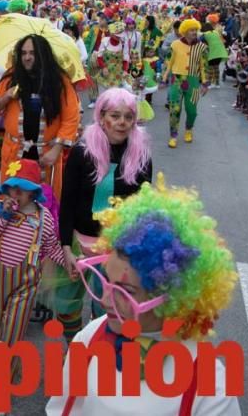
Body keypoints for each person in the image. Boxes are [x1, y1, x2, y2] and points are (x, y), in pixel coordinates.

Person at [45, 182, 241, 416]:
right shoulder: (89, 338)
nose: (105, 301)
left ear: (169, 298)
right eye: (106, 281)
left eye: (125, 291)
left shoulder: (208, 387)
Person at [56, 88, 153, 338]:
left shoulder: (141, 156)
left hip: (114, 248)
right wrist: (66, 247)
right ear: (101, 117)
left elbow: (142, 209)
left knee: (107, 310)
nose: (122, 123)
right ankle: (75, 348)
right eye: (115, 116)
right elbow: (67, 202)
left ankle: (98, 354)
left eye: (128, 117)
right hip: (78, 242)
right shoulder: (81, 152)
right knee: (68, 307)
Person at [0, 158, 67, 381]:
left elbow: (51, 247)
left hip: (26, 284)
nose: (14, 195)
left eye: (21, 190)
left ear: (33, 193)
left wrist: (69, 263)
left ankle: (1, 382)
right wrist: (2, 217)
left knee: (13, 332)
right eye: (11, 189)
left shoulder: (42, 218)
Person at [0, 34, 81, 195]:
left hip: (46, 154)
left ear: (42, 54)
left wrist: (56, 150)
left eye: (32, 53)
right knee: (12, 203)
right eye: (23, 53)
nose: (27, 58)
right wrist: (7, 96)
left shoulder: (59, 81)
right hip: (14, 152)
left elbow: (71, 117)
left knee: (44, 206)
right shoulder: (11, 76)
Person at [163, 18, 209, 148]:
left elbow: (204, 66)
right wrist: (165, 76)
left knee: (191, 110)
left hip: (193, 81)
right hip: (176, 80)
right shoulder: (175, 45)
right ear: (185, 31)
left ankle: (189, 129)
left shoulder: (202, 47)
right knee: (174, 109)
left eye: (196, 30)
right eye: (191, 30)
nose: (194, 32)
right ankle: (173, 135)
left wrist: (205, 83)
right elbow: (169, 61)